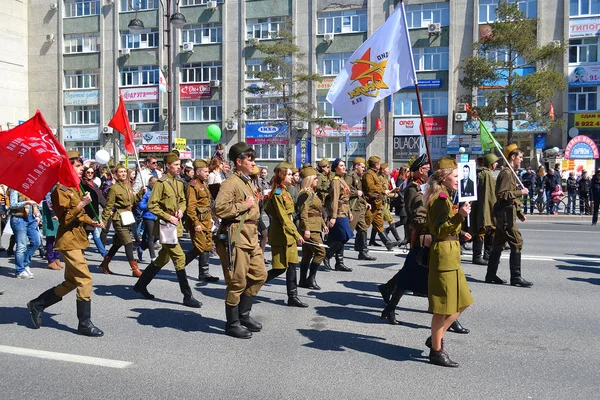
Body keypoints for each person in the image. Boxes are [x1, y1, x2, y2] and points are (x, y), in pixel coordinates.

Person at [27, 150, 105, 337]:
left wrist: (92, 221)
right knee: (85, 279)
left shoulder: (75, 188)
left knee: (71, 282)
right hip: (68, 240)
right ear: (68, 168)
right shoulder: (60, 191)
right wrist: (81, 204)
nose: (82, 169)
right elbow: (64, 219)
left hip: (78, 238)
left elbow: (80, 215)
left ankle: (38, 304)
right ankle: (84, 323)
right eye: (77, 166)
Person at [133, 153, 202, 308]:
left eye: (179, 164)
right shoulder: (161, 183)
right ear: (168, 166)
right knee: (179, 258)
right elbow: (152, 205)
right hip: (165, 226)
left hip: (175, 225)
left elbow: (183, 201)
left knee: (162, 259)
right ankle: (187, 296)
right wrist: (167, 216)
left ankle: (140, 285)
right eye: (176, 165)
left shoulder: (178, 182)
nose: (179, 167)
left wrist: (181, 211)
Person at [214, 142, 267, 339]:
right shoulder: (231, 182)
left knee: (259, 275)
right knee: (237, 281)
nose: (253, 162)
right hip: (238, 234)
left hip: (251, 234)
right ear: (239, 161)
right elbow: (219, 209)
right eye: (250, 158)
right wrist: (243, 205)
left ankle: (244, 314)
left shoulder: (248, 182)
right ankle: (232, 323)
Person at [423, 157, 473, 368]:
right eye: (455, 176)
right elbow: (440, 230)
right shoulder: (441, 200)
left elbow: (445, 227)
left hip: (451, 254)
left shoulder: (445, 198)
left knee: (464, 301)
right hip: (443, 256)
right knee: (442, 309)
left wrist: (460, 231)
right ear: (443, 178)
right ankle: (436, 350)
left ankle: (436, 335)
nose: (458, 179)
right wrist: (460, 216)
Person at [485, 144, 533, 287]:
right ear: (513, 157)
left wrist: (519, 212)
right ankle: (516, 277)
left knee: (498, 244)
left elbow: (510, 196)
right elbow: (502, 195)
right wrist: (521, 192)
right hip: (505, 214)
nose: (521, 159)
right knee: (517, 242)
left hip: (507, 213)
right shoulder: (506, 173)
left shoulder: (511, 172)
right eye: (520, 157)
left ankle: (491, 275)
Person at [264, 162, 308, 307]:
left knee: (292, 265)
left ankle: (293, 297)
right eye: (289, 174)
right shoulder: (277, 194)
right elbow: (283, 218)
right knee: (279, 268)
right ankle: (253, 284)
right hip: (280, 234)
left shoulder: (286, 192)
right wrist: (297, 234)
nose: (292, 177)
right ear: (282, 176)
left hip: (288, 233)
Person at [99, 164, 144, 277]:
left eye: (124, 171)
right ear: (115, 174)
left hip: (128, 217)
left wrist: (141, 193)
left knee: (117, 244)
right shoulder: (113, 189)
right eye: (120, 172)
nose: (123, 174)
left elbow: (133, 201)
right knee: (128, 242)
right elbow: (108, 206)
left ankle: (104, 264)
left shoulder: (127, 186)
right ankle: (135, 269)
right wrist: (103, 221)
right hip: (119, 219)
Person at [183, 159, 219, 282]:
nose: (207, 174)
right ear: (198, 172)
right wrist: (195, 223)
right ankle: (180, 265)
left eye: (208, 171)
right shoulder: (192, 186)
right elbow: (191, 207)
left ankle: (204, 273)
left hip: (206, 221)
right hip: (198, 222)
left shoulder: (203, 184)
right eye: (205, 171)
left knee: (207, 246)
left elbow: (206, 205)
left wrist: (211, 219)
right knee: (200, 247)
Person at [297, 166, 328, 290]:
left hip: (316, 225)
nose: (317, 180)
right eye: (315, 178)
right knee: (321, 252)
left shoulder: (312, 193)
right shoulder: (305, 194)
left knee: (307, 254)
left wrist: (324, 225)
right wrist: (306, 229)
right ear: (309, 179)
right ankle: (311, 279)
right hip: (310, 227)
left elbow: (317, 212)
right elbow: (304, 213)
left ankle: (303, 280)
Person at [322, 158, 354, 272]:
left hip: (344, 210)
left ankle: (339, 262)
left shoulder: (342, 179)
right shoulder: (336, 181)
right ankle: (327, 254)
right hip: (338, 212)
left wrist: (349, 212)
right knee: (345, 236)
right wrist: (334, 216)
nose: (344, 167)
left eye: (344, 165)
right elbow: (334, 200)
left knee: (339, 237)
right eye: (341, 165)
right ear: (335, 168)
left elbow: (346, 198)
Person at [469, 153, 498, 265]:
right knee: (483, 229)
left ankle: (487, 254)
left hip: (483, 205)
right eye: (495, 163)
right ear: (491, 164)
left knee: (489, 229)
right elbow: (490, 193)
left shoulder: (481, 173)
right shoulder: (486, 175)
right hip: (485, 206)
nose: (496, 164)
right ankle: (477, 256)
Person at [364, 156, 398, 250]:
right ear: (375, 165)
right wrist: (383, 191)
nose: (380, 165)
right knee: (365, 225)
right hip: (371, 204)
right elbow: (371, 188)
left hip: (377, 204)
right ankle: (361, 247)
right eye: (378, 163)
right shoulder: (369, 174)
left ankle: (388, 243)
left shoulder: (374, 174)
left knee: (379, 225)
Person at [345, 157, 376, 261]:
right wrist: (355, 193)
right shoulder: (350, 176)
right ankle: (331, 252)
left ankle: (363, 252)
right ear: (356, 166)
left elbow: (361, 192)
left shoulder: (359, 176)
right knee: (346, 232)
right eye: (362, 167)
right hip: (352, 207)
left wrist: (365, 202)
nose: (364, 169)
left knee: (363, 228)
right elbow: (345, 190)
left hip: (360, 207)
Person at [9, 188, 41, 279]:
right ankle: (20, 271)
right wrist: (27, 203)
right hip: (19, 219)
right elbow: (13, 205)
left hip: (31, 218)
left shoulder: (31, 188)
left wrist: (38, 215)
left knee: (36, 242)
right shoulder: (14, 188)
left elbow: (35, 203)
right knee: (21, 246)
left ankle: (25, 264)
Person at [81, 165, 108, 258]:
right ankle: (104, 253)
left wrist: (107, 208)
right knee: (93, 233)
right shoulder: (82, 184)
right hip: (85, 212)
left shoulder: (94, 184)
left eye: (92, 173)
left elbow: (100, 198)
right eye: (88, 172)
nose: (90, 174)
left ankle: (81, 251)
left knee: (89, 234)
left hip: (93, 213)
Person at [41, 189, 63, 270]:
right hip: (50, 213)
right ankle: (51, 260)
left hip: (58, 210)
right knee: (50, 237)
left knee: (58, 237)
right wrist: (53, 213)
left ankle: (57, 257)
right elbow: (48, 199)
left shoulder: (59, 183)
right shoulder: (49, 184)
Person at [137, 176, 158, 262]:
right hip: (148, 217)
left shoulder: (159, 193)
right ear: (150, 183)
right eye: (154, 183)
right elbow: (141, 205)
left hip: (157, 217)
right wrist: (149, 206)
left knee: (157, 236)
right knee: (151, 237)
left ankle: (141, 248)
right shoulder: (147, 193)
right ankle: (153, 257)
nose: (156, 185)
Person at [388, 165, 409, 247]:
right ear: (404, 171)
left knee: (405, 221)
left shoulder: (404, 179)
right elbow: (399, 191)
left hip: (403, 202)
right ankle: (388, 229)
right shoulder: (400, 180)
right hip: (401, 203)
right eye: (407, 171)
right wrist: (403, 200)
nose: (408, 173)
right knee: (404, 221)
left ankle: (406, 238)